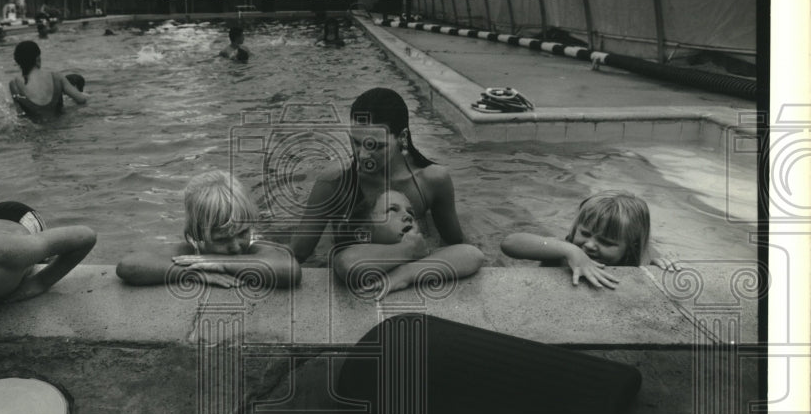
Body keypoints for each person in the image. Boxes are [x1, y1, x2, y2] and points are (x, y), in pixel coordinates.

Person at [290, 87, 465, 264]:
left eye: (377, 146)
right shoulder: (334, 182)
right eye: (356, 143)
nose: (363, 155)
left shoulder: (431, 181)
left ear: (402, 137)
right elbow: (297, 254)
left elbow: (455, 243)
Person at [116, 170, 300, 289]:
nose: (236, 247)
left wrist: (220, 261)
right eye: (221, 240)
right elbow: (129, 266)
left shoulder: (254, 248)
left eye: (243, 233)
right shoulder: (192, 251)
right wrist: (192, 271)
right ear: (196, 235)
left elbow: (290, 271)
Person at [500, 190, 677, 289]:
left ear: (631, 247)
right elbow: (510, 243)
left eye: (606, 242)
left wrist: (661, 263)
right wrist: (570, 251)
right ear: (576, 229)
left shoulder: (637, 256)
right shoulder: (560, 252)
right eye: (584, 234)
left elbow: (651, 255)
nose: (590, 245)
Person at [334, 189, 483, 296]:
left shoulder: (420, 253)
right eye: (392, 210)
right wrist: (407, 249)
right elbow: (348, 264)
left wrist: (406, 272)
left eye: (411, 212)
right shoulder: (411, 249)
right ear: (363, 234)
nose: (407, 216)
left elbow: (472, 254)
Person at [8, 40, 88, 120]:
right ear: (37, 58)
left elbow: (21, 115)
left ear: (18, 61)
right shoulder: (56, 77)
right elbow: (81, 100)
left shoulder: (14, 84)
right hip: (61, 128)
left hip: (35, 130)